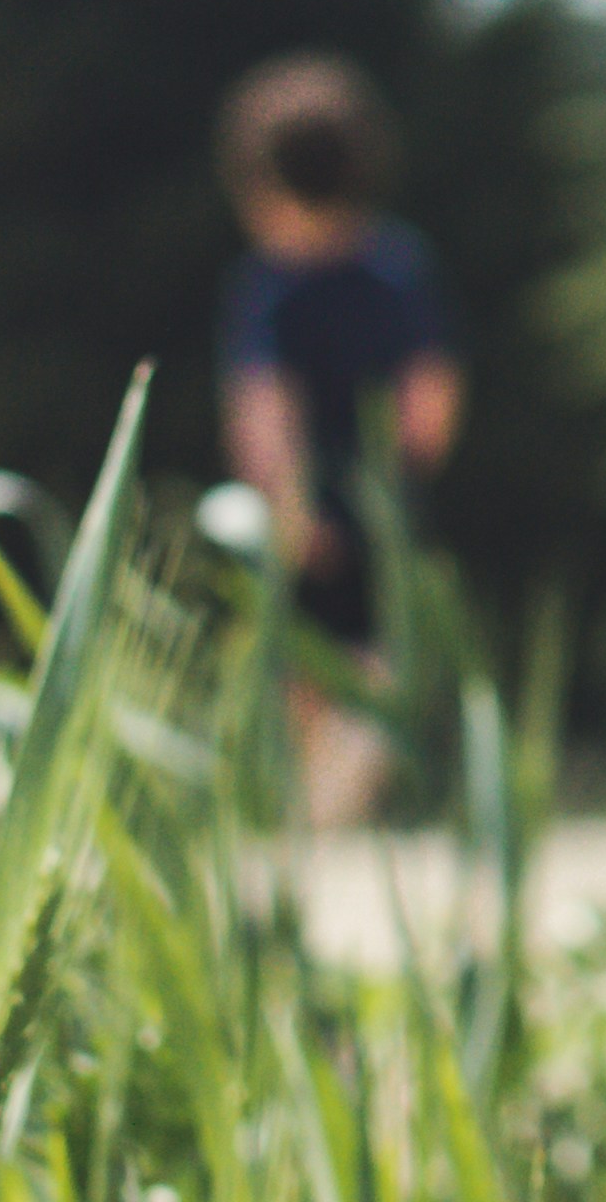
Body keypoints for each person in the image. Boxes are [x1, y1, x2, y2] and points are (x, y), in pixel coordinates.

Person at [212, 54, 462, 828]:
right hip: (382, 502)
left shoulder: (270, 287)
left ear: (259, 182)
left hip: (309, 510)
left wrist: (284, 504)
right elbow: (433, 393)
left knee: (306, 667)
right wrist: (412, 471)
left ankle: (316, 813)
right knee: (381, 656)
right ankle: (344, 800)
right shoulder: (398, 267)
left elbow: (262, 406)